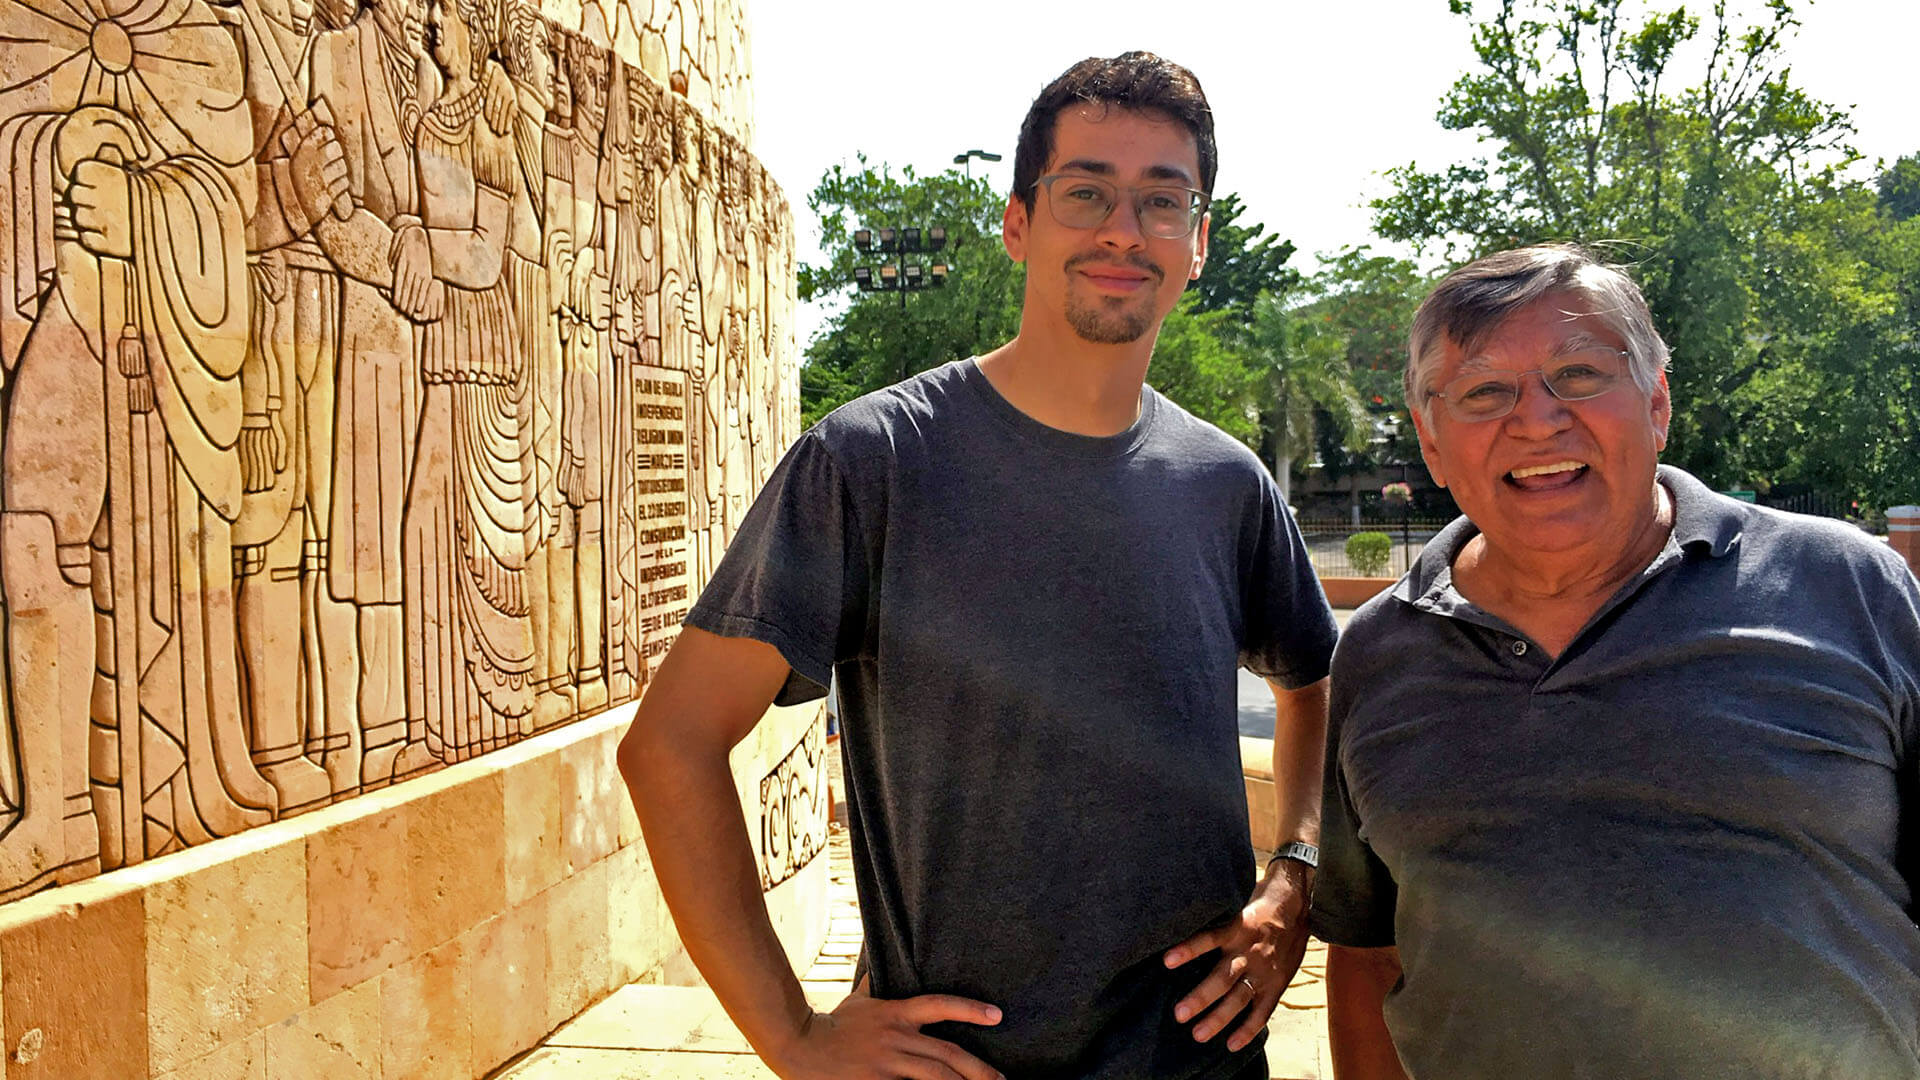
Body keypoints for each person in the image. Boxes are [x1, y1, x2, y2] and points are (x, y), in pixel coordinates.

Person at [619, 51, 1338, 1080]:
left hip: (1200, 1061)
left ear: (1199, 242)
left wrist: (1294, 877)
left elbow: (1312, 688)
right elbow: (672, 745)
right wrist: (791, 1036)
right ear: (1018, 225)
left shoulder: (1226, 484)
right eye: (1085, 191)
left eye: (1161, 201)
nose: (1122, 231)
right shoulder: (871, 463)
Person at [1312, 244, 1920, 1079]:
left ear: (1658, 401)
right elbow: (1368, 954)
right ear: (1431, 442)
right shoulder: (1381, 652)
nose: (1537, 419)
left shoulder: (1849, 587)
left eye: (1580, 373)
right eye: (1485, 392)